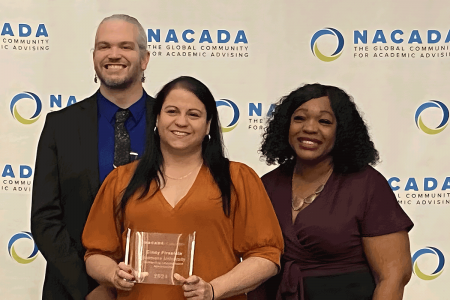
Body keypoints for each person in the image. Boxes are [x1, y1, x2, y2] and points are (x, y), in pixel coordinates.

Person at [82, 76, 284, 300]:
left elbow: (266, 256)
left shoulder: (238, 178)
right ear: (157, 118)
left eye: (193, 114)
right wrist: (113, 274)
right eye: (172, 111)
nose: (181, 122)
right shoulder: (121, 180)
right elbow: (96, 254)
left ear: (208, 125)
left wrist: (213, 289)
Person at [248, 84, 413, 300]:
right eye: (299, 118)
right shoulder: (267, 185)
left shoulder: (367, 184)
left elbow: (393, 277)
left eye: (324, 121)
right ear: (285, 125)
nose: (309, 128)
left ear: (341, 131)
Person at [31, 14, 154, 300]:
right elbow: (45, 218)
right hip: (74, 291)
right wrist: (91, 287)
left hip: (156, 288)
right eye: (103, 46)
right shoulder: (60, 126)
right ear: (94, 55)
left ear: (144, 58)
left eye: (125, 46)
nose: (113, 55)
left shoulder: (173, 123)